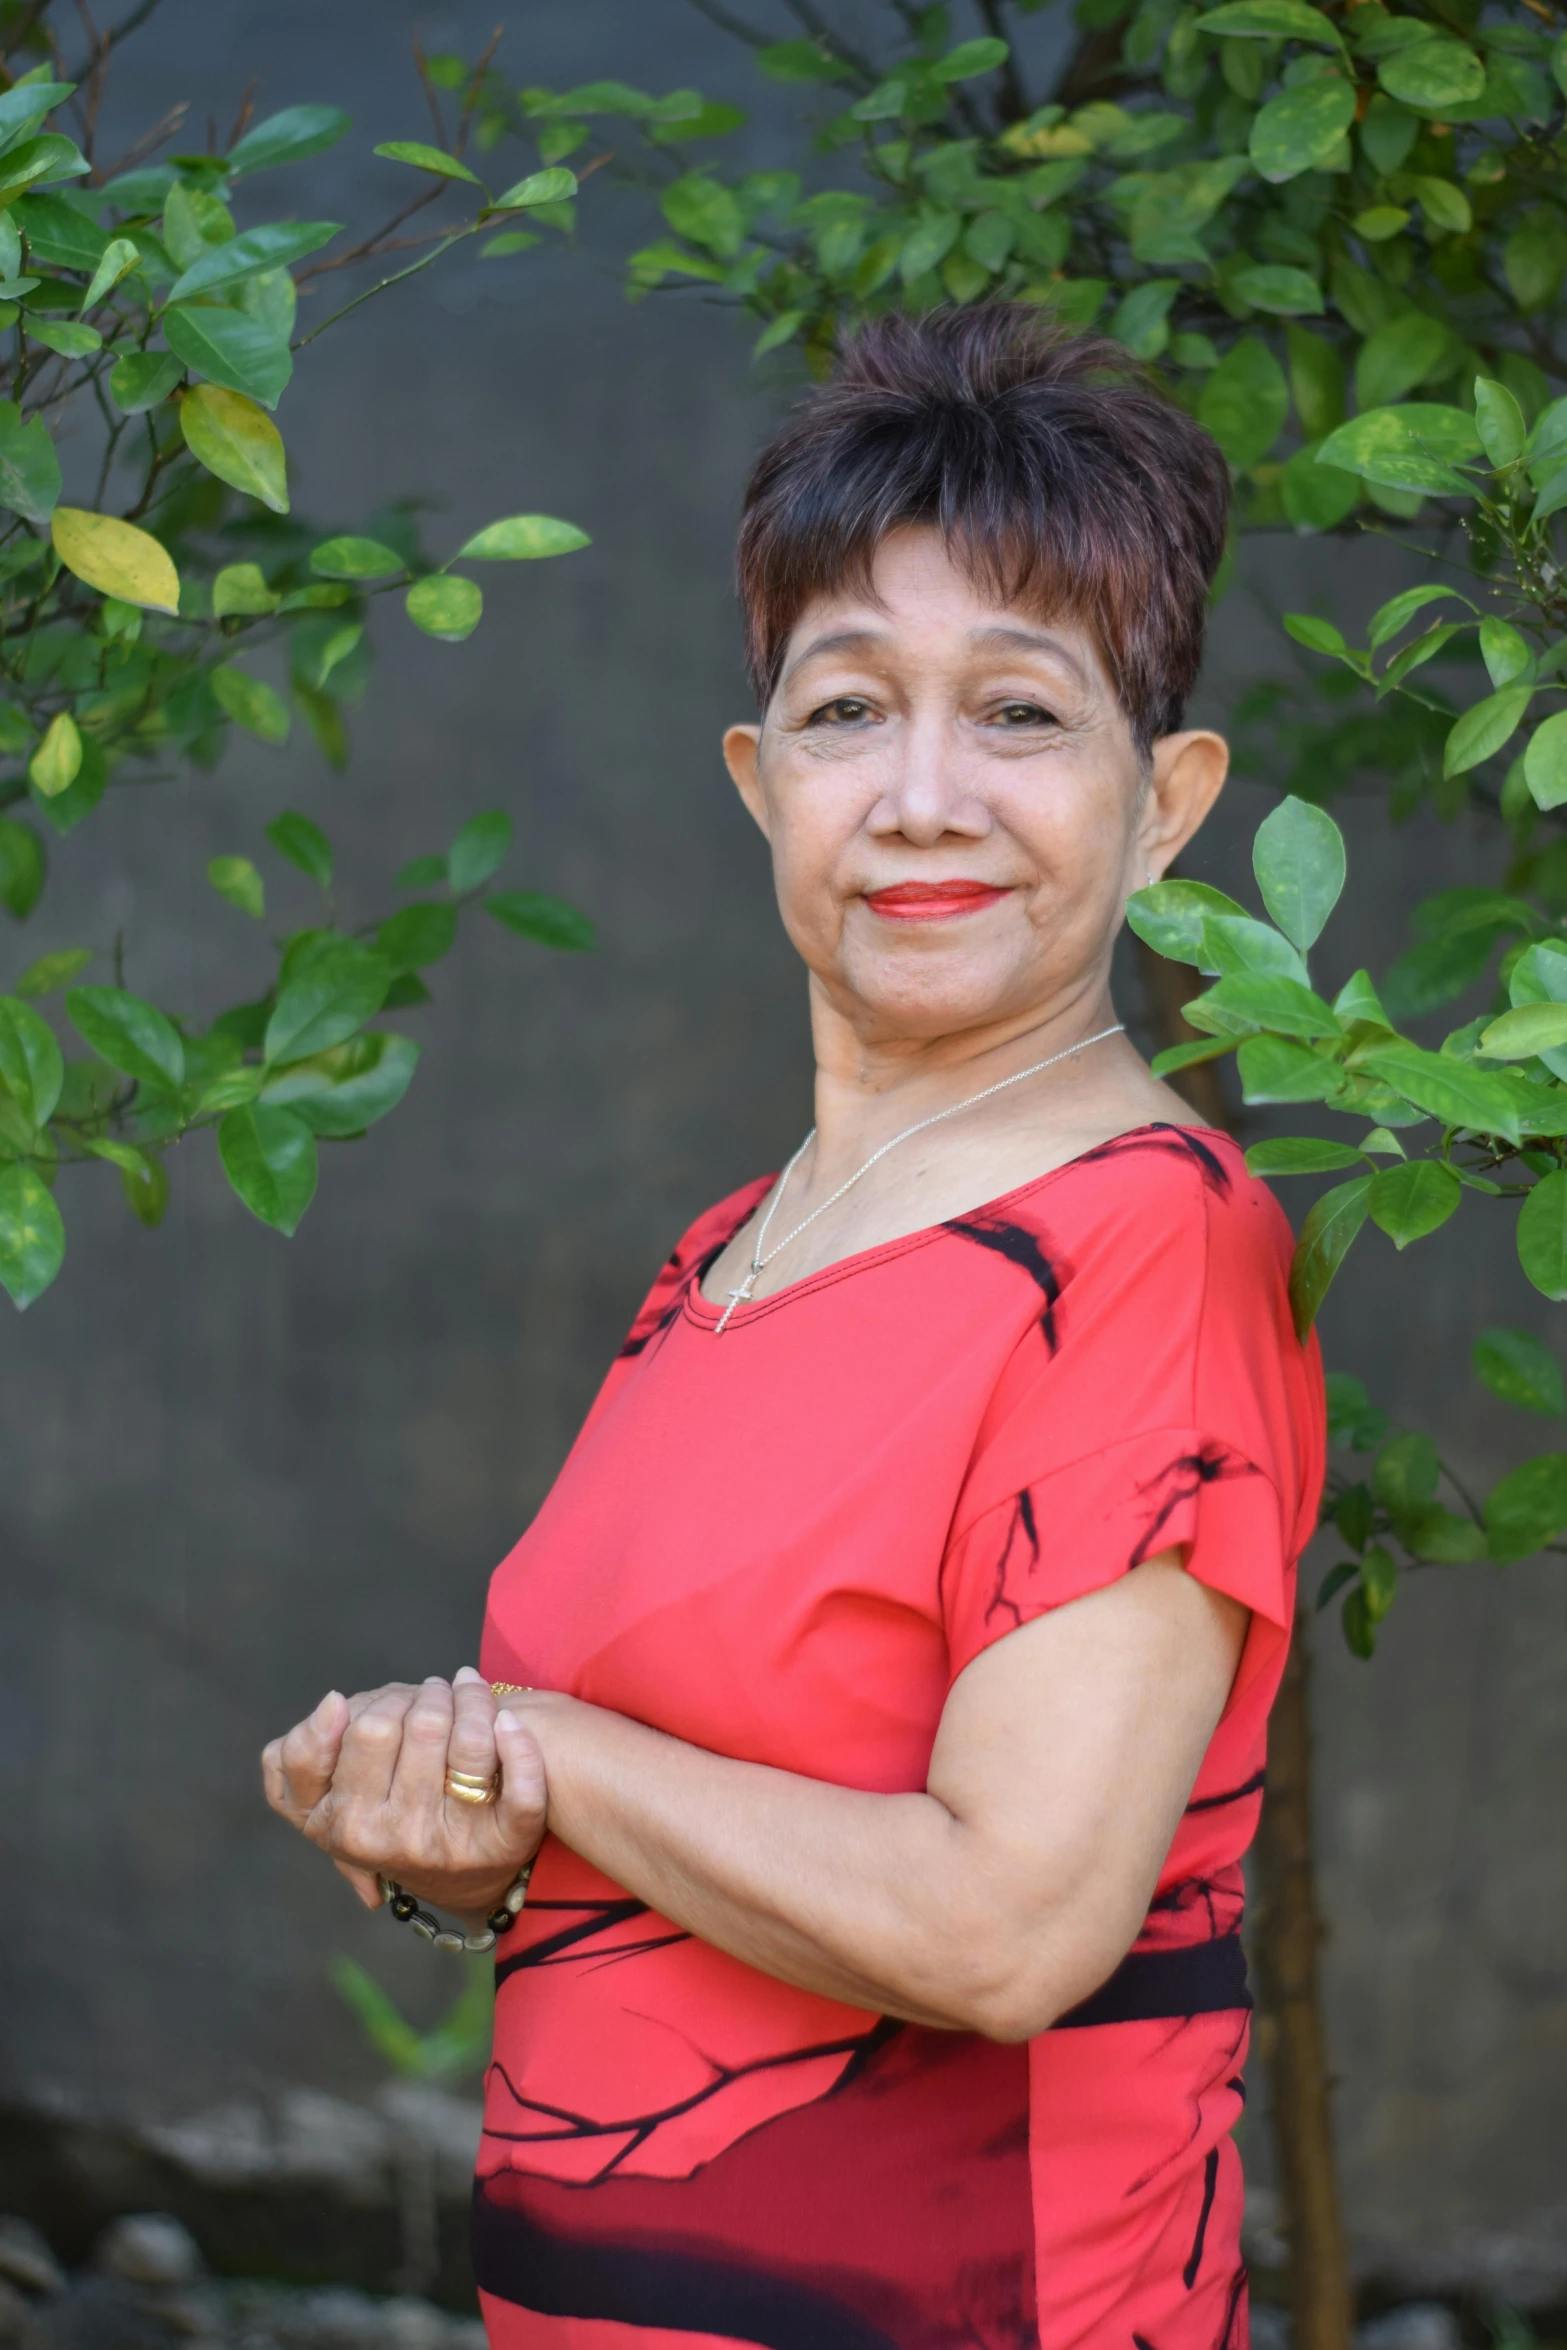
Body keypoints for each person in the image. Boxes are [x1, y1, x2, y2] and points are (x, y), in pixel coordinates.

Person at [263, 306, 1324, 2350]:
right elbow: (682, 1830)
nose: (921, 796)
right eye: (850, 713)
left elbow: (1006, 1923)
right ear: (765, 785)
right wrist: (453, 1839)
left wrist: (549, 1749)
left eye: (1019, 714)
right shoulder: (730, 1248)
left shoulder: (1150, 1248)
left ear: (1167, 799)